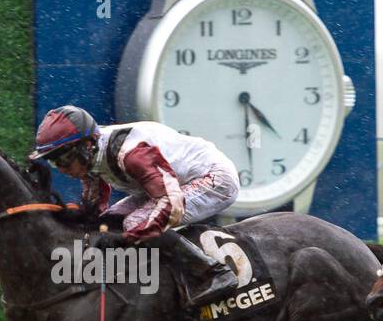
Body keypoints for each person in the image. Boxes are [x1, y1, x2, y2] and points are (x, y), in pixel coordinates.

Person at [30, 105, 240, 306]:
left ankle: (212, 273)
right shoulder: (91, 156)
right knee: (110, 222)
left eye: (64, 159)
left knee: (134, 224)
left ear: (87, 146)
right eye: (53, 162)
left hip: (214, 179)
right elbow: (94, 213)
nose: (62, 168)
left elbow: (170, 204)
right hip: (164, 186)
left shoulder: (133, 154)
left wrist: (127, 239)